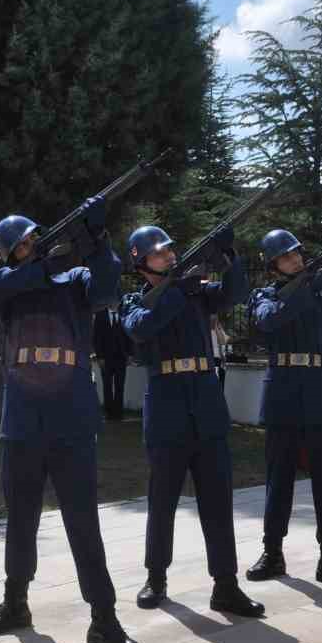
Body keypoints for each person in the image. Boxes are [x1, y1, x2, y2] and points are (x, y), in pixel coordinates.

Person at [0, 200, 140, 643]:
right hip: (24, 417)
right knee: (21, 518)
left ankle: (103, 617)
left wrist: (99, 243)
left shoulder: (75, 280)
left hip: (70, 414)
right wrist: (50, 260)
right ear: (8, 253)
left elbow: (106, 289)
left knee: (83, 521)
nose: (32, 244)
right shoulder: (3, 285)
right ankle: (15, 602)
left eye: (36, 237)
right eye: (22, 243)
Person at [122, 223, 263, 618]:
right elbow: (140, 328)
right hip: (167, 404)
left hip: (204, 402)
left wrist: (230, 257)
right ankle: (156, 576)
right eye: (159, 252)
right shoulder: (135, 301)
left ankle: (226, 584)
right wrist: (177, 291)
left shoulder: (197, 291)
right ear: (141, 263)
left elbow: (236, 293)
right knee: (162, 498)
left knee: (218, 500)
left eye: (170, 250)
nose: (169, 255)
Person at [244, 224, 322, 588]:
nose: (295, 258)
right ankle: (272, 552)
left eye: (296, 252)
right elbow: (270, 319)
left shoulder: (320, 290)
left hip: (316, 389)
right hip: (283, 391)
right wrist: (307, 285)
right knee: (279, 478)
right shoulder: (263, 295)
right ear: (273, 266)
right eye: (286, 256)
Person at [92, 303, 129, 420]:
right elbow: (96, 337)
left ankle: (118, 413)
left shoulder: (124, 312)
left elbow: (128, 335)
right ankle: (109, 413)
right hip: (105, 358)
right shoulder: (100, 314)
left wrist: (130, 354)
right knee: (107, 386)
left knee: (120, 386)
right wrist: (99, 356)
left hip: (121, 357)